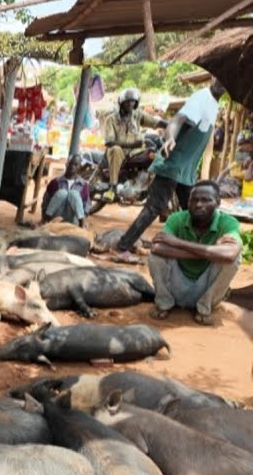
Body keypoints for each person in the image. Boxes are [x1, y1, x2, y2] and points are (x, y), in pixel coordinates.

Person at [112, 80, 227, 264]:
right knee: (153, 208)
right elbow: (177, 120)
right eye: (220, 79)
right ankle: (122, 247)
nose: (222, 84)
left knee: (193, 209)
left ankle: (199, 248)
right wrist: (170, 138)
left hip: (185, 171)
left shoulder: (214, 104)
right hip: (173, 165)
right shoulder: (201, 98)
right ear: (214, 78)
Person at [147, 180, 241, 326]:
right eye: (194, 200)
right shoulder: (176, 218)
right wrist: (210, 252)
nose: (198, 204)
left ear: (217, 202)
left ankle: (204, 308)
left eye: (206, 200)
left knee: (233, 260)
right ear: (189, 201)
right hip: (176, 287)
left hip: (206, 289)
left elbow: (230, 254)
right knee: (155, 256)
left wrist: (178, 243)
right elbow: (157, 248)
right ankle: (164, 303)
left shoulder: (228, 223)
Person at [102, 88, 168, 190]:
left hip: (135, 151)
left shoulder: (137, 115)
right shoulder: (111, 119)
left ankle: (142, 183)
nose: (130, 104)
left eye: (132, 101)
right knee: (116, 149)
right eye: (127, 101)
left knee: (152, 153)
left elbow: (154, 122)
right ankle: (112, 186)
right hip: (118, 152)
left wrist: (171, 125)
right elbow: (109, 142)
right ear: (121, 103)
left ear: (136, 103)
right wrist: (131, 144)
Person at [41, 155, 92, 227]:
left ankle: (81, 224)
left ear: (79, 167)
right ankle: (46, 221)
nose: (72, 166)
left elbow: (87, 204)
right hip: (55, 217)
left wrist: (85, 216)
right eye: (70, 164)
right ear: (66, 164)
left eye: (75, 165)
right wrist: (43, 216)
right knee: (62, 193)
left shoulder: (83, 185)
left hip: (73, 218)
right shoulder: (55, 182)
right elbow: (45, 201)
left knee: (74, 194)